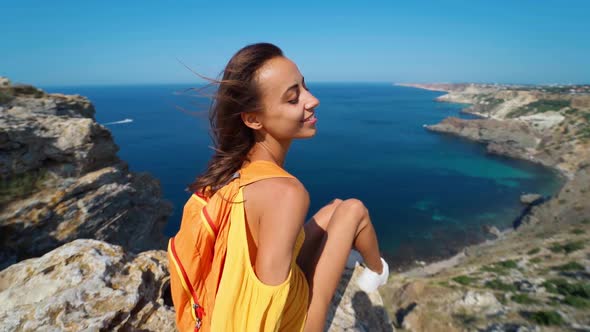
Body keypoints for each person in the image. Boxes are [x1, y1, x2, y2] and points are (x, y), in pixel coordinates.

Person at [188, 42, 389, 331]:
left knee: (335, 208)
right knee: (353, 209)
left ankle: (374, 267)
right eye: (293, 98)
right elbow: (272, 314)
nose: (313, 100)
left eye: (304, 87)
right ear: (253, 119)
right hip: (277, 321)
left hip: (227, 310)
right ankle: (377, 270)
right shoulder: (285, 193)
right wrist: (319, 301)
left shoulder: (235, 175)